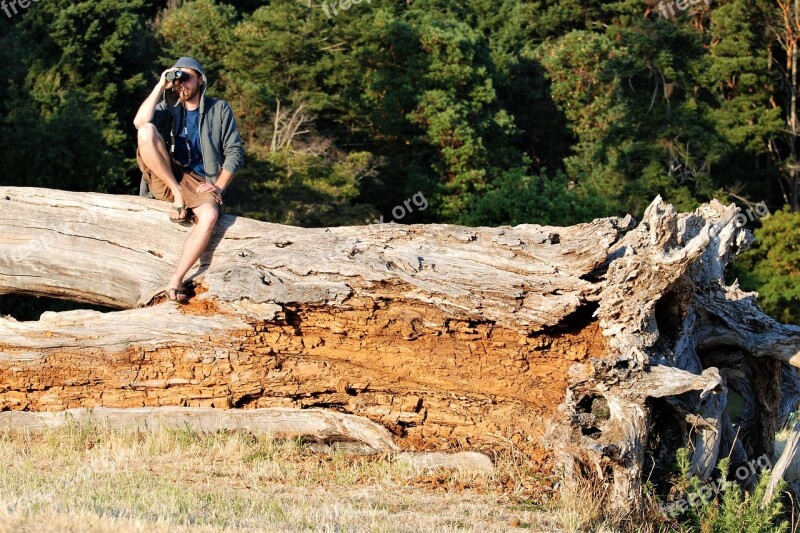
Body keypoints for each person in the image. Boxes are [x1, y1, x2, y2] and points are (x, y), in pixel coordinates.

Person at [133, 57, 244, 303]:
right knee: (146, 131)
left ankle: (176, 280)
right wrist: (160, 86)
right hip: (169, 175)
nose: (182, 83)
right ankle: (178, 196)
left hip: (200, 182)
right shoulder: (168, 109)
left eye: (187, 77)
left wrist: (218, 186)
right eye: (178, 78)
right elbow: (140, 123)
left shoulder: (219, 109)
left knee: (210, 216)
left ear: (201, 79)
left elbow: (235, 152)